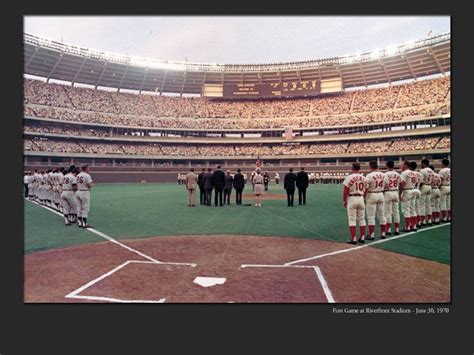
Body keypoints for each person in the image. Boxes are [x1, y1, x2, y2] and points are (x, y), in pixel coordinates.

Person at [342, 162, 367, 244]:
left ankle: (354, 238)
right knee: (362, 219)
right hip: (361, 197)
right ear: (359, 169)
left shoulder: (349, 177)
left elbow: (345, 190)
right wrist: (364, 197)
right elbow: (366, 189)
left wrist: (344, 200)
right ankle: (362, 237)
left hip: (352, 198)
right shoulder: (363, 177)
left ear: (352, 168)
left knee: (352, 219)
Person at [365, 161, 387, 240]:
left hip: (372, 194)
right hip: (381, 194)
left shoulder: (369, 175)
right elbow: (386, 185)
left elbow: (366, 187)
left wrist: (364, 197)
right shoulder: (383, 175)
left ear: (370, 167)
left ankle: (371, 235)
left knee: (371, 216)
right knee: (382, 215)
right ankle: (383, 233)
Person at [384, 160, 402, 235]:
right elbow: (402, 184)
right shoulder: (397, 174)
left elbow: (385, 185)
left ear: (387, 166)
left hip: (388, 192)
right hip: (395, 192)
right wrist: (400, 193)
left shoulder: (385, 174)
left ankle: (388, 230)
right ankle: (397, 229)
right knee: (396, 212)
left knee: (388, 212)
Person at [400, 161, 417, 233]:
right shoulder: (414, 172)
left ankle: (408, 227)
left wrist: (400, 193)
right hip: (413, 190)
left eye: (402, 164)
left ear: (406, 165)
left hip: (407, 191)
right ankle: (414, 226)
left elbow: (402, 184)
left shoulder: (404, 173)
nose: (401, 166)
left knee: (406, 209)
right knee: (413, 209)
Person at [419, 159, 435, 226]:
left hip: (424, 186)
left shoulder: (422, 170)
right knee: (428, 204)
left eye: (422, 163)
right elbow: (433, 180)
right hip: (429, 186)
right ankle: (429, 220)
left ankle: (423, 221)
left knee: (422, 204)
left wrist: (419, 187)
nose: (421, 165)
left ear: (423, 163)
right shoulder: (431, 171)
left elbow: (421, 181)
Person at [410, 161, 423, 229]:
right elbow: (421, 183)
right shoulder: (419, 173)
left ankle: (412, 224)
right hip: (418, 189)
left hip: (412, 190)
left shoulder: (409, 173)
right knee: (417, 207)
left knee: (411, 208)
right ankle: (419, 222)